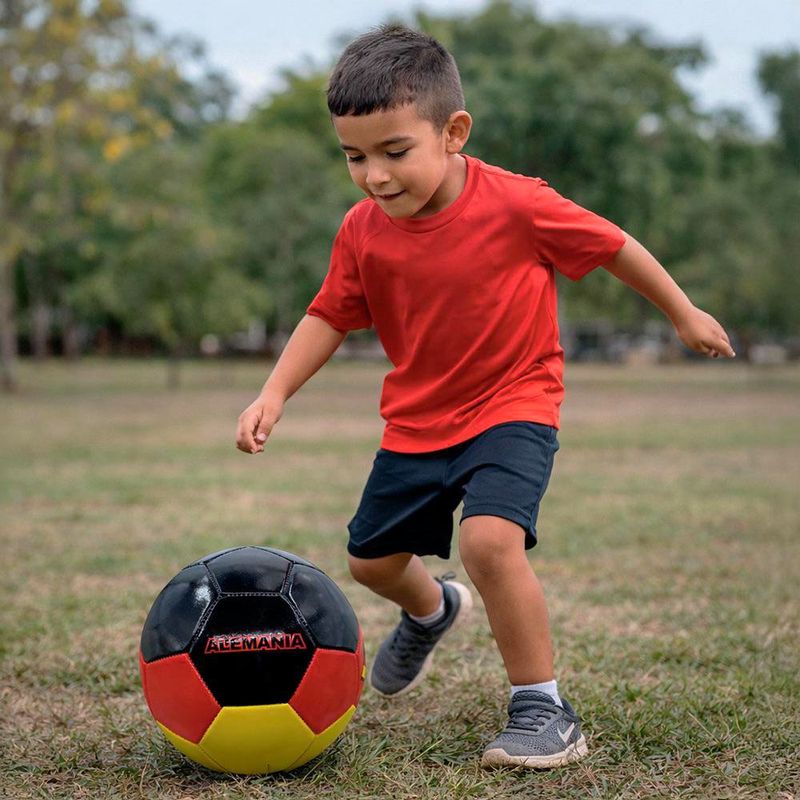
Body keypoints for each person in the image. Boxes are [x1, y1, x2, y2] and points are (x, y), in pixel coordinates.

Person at [235, 24, 735, 769]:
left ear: (453, 132)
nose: (374, 175)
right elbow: (329, 314)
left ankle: (544, 709)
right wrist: (274, 391)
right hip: (417, 421)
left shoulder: (519, 205)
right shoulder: (362, 231)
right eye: (355, 157)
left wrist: (683, 311)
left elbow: (613, 245)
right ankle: (433, 610)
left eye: (394, 152)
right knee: (370, 562)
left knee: (489, 542)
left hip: (515, 403)